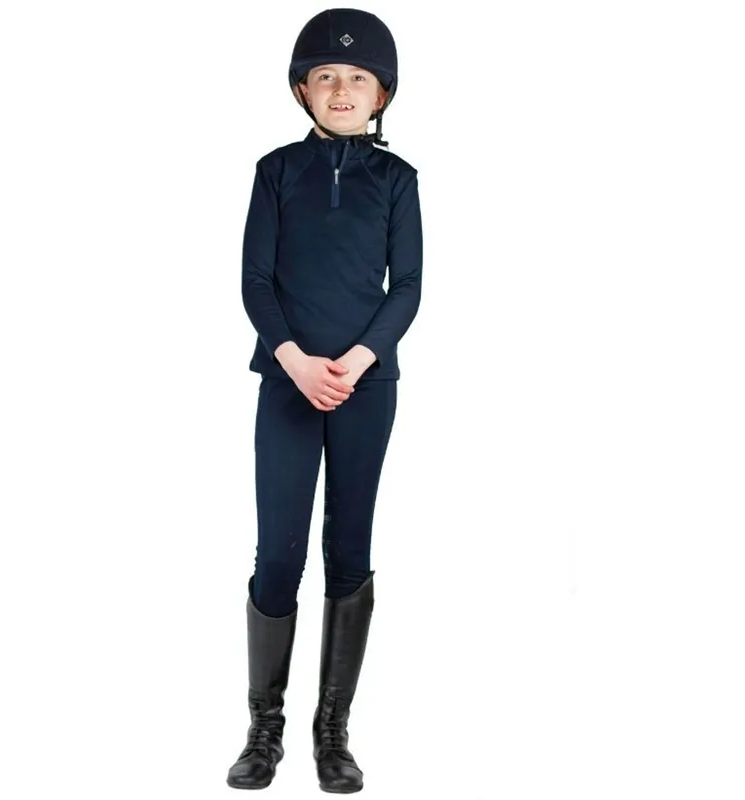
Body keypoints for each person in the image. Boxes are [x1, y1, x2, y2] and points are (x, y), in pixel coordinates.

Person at [226, 8, 423, 793]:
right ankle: (264, 726)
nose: (342, 89)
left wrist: (358, 359)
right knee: (278, 553)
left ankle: (332, 730)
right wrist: (295, 360)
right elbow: (255, 280)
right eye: (326, 77)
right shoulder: (275, 172)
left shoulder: (398, 181)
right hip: (287, 384)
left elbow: (407, 287)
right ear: (302, 90)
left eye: (359, 78)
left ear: (382, 94)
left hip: (366, 388)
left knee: (349, 548)